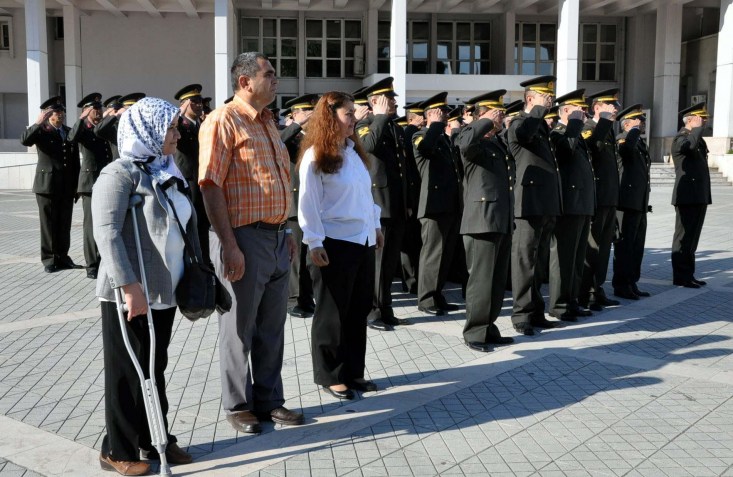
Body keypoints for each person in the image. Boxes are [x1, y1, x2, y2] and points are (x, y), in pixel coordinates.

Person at [199, 52, 304, 434]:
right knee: (238, 329)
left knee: (271, 329)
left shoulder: (267, 122)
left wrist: (286, 230)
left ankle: (269, 400)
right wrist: (229, 246)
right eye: (269, 74)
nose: (276, 79)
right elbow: (210, 185)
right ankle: (238, 404)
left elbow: (277, 182)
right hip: (243, 238)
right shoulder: (222, 120)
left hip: (275, 238)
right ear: (245, 82)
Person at [92, 97, 195, 475]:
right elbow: (106, 233)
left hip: (165, 288)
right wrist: (128, 285)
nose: (177, 134)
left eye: (176, 127)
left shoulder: (166, 169)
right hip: (131, 291)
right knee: (128, 371)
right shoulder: (118, 174)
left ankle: (155, 439)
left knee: (154, 367)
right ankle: (117, 449)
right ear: (147, 131)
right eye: (170, 128)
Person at [298, 91, 383, 400]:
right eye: (348, 114)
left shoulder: (353, 152)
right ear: (330, 117)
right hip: (334, 242)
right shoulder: (316, 155)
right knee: (332, 312)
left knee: (358, 310)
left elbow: (364, 195)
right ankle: (330, 375)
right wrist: (314, 241)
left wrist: (375, 224)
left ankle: (353, 371)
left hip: (362, 239)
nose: (354, 119)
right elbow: (308, 202)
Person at [456, 90, 515, 352]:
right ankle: (475, 332)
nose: (500, 117)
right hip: (481, 220)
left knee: (496, 281)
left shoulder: (496, 143)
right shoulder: (470, 139)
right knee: (481, 281)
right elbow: (465, 143)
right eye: (496, 113)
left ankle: (489, 326)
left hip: (500, 219)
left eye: (501, 113)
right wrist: (485, 120)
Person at [507, 75, 562, 336]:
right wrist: (539, 110)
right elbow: (522, 135)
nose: (549, 99)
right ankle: (521, 314)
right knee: (524, 261)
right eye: (544, 96)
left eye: (550, 96)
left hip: (545, 203)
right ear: (530, 99)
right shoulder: (520, 122)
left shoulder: (541, 126)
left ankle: (536, 311)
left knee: (539, 262)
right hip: (527, 204)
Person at [356, 77, 409, 331]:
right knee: (377, 262)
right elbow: (369, 146)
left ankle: (385, 308)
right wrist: (378, 116)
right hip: (379, 203)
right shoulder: (364, 124)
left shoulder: (393, 127)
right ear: (375, 101)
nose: (394, 103)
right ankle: (372, 311)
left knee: (389, 263)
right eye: (389, 99)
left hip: (396, 204)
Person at [412, 92, 463, 316]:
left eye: (444, 112)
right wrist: (433, 125)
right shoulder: (421, 135)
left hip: (450, 205)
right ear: (429, 115)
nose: (445, 115)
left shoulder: (444, 139)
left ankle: (437, 294)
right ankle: (426, 299)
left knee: (445, 255)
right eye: (440, 112)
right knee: (433, 255)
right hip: (433, 206)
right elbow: (425, 149)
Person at [548, 89, 595, 321]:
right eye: (579, 110)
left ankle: (572, 300)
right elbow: (565, 152)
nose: (584, 113)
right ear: (566, 110)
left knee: (577, 257)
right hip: (568, 204)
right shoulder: (557, 133)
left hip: (582, 204)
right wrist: (574, 124)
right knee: (563, 258)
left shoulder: (575, 134)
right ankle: (559, 305)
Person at [20, 96, 82, 273]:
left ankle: (63, 257)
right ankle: (49, 259)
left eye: (61, 111)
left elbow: (75, 161)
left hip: (66, 186)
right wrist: (38, 123)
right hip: (47, 185)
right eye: (56, 112)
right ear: (47, 115)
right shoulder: (41, 131)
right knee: (48, 224)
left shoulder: (69, 132)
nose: (60, 114)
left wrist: (76, 186)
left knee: (64, 223)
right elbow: (25, 140)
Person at [578, 89, 621, 310]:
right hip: (596, 198)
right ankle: (586, 293)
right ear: (597, 108)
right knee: (592, 248)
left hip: (609, 198)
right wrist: (604, 122)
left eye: (615, 106)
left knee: (604, 248)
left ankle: (598, 288)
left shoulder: (608, 129)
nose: (615, 109)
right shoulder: (588, 127)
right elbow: (592, 148)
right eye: (610, 106)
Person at [281, 93, 319, 318]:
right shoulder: (290, 136)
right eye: (308, 112)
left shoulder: (314, 138)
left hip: (313, 202)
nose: (312, 116)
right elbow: (278, 142)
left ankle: (306, 297)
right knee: (296, 256)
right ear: (296, 114)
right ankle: (293, 299)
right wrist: (296, 125)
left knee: (309, 257)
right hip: (295, 203)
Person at [68, 92, 113, 279]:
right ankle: (92, 264)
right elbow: (71, 138)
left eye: (100, 108)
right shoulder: (83, 129)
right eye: (95, 109)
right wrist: (81, 119)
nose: (99, 111)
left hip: (107, 181)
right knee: (90, 225)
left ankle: (103, 259)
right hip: (89, 183)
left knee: (106, 223)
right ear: (86, 111)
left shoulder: (103, 128)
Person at [612, 104, 652, 300]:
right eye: (638, 120)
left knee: (637, 246)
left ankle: (632, 282)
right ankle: (621, 285)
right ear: (627, 124)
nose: (642, 123)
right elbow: (626, 151)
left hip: (639, 202)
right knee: (625, 247)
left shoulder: (639, 142)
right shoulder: (622, 140)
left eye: (642, 120)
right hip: (626, 202)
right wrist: (633, 131)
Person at [671, 102, 712, 288]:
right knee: (683, 236)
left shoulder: (697, 138)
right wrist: (695, 129)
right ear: (691, 120)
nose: (704, 121)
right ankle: (681, 276)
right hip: (686, 196)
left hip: (698, 195)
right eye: (701, 118)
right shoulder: (681, 138)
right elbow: (688, 148)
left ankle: (689, 273)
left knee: (693, 238)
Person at [173, 84, 210, 265]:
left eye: (200, 100)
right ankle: (191, 261)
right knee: (190, 222)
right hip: (187, 181)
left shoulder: (201, 124)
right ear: (184, 104)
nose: (199, 104)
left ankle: (204, 260)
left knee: (203, 222)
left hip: (202, 179)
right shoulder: (180, 124)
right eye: (194, 101)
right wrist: (179, 113)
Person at [95, 93, 145, 159]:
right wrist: (115, 116)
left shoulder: (142, 125)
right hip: (121, 163)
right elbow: (98, 131)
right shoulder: (115, 127)